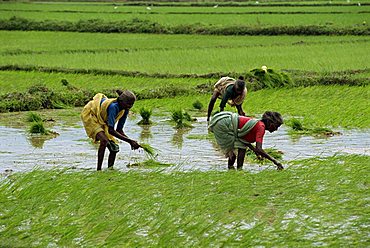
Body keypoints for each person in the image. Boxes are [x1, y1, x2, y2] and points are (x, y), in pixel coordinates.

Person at [81, 90, 140, 170]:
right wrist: (130, 141)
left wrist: (131, 141)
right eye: (128, 104)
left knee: (114, 148)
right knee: (104, 140)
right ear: (121, 101)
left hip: (103, 120)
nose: (130, 106)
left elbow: (119, 130)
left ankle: (110, 169)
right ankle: (99, 170)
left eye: (132, 104)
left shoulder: (125, 110)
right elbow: (111, 130)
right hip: (92, 114)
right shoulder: (113, 107)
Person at [209, 111, 284, 170]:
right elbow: (259, 149)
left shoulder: (258, 124)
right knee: (233, 152)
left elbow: (245, 141)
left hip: (224, 121)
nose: (276, 129)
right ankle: (238, 169)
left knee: (240, 148)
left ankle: (235, 170)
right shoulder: (261, 127)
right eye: (276, 126)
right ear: (271, 124)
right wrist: (275, 162)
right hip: (223, 124)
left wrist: (255, 151)